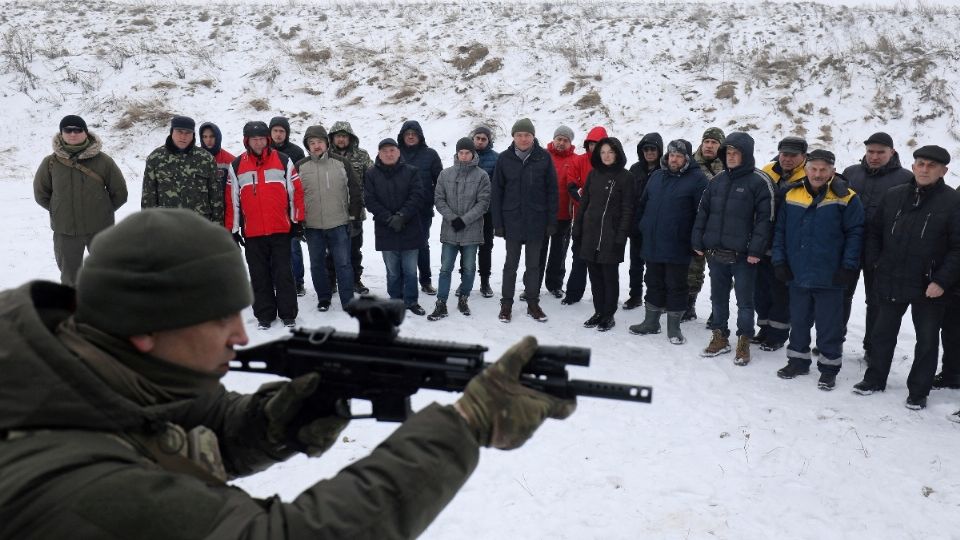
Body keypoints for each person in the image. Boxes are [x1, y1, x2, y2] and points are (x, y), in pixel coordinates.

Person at [0, 208, 575, 539]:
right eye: (220, 316)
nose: (242, 335)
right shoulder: (70, 483)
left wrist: (270, 423)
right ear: (144, 327)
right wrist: (465, 425)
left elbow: (161, 421)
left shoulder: (68, 359)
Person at [854, 145, 960, 409]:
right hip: (892, 278)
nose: (925, 169)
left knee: (926, 341)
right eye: (921, 164)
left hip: (929, 286)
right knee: (882, 333)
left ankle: (918, 391)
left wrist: (941, 281)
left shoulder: (952, 202)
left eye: (931, 166)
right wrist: (876, 263)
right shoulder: (894, 195)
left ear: (943, 171)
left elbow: (958, 248)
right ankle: (875, 378)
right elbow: (874, 234)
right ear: (913, 166)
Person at [772, 150, 864, 391]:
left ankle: (829, 369)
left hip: (830, 275)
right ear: (807, 169)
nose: (818, 174)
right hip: (797, 272)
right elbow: (780, 231)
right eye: (813, 169)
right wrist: (779, 261)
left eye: (824, 169)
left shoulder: (847, 198)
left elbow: (856, 234)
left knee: (829, 326)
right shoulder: (792, 194)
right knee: (799, 321)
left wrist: (848, 267)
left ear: (832, 171)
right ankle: (797, 361)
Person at [691, 132, 774, 365]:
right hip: (716, 253)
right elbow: (703, 213)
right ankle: (719, 337)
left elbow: (765, 220)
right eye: (728, 153)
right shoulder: (717, 181)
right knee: (717, 298)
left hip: (744, 256)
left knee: (745, 302)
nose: (731, 157)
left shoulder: (760, 182)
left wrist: (756, 250)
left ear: (746, 155)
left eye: (736, 153)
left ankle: (743, 341)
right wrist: (698, 241)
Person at [225, 121, 305, 330]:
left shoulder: (283, 160)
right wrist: (233, 230)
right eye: (254, 139)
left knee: (283, 274)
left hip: (280, 229)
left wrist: (296, 221)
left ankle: (288, 314)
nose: (258, 143)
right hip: (253, 232)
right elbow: (232, 200)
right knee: (259, 276)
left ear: (267, 139)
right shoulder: (236, 165)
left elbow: (295, 192)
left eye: (261, 138)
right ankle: (264, 315)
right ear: (247, 141)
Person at [841, 132, 912, 362]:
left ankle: (872, 347)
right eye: (870, 151)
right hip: (849, 247)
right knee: (841, 295)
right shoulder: (851, 173)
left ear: (892, 152)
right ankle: (833, 339)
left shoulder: (905, 178)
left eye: (880, 152)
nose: (874, 156)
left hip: (883, 251)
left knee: (876, 301)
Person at [33, 114, 127, 287]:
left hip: (100, 230)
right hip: (65, 232)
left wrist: (103, 212)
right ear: (61, 133)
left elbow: (120, 193)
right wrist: (60, 210)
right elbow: (41, 194)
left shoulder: (104, 161)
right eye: (67, 130)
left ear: (85, 132)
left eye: (78, 130)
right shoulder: (50, 163)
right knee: (70, 279)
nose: (73, 134)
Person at [629, 139, 707, 344]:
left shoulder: (697, 179)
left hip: (678, 243)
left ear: (687, 159)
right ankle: (651, 322)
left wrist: (696, 240)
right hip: (653, 241)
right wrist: (640, 226)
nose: (674, 159)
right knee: (652, 281)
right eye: (672, 155)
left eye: (679, 156)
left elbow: (702, 213)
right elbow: (643, 204)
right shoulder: (657, 175)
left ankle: (674, 328)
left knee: (676, 286)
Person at [491, 118, 558, 323]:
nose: (523, 138)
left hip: (536, 220)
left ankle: (532, 303)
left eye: (527, 135)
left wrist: (551, 221)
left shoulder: (544, 158)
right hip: (512, 220)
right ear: (513, 137)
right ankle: (506, 304)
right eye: (519, 135)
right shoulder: (504, 159)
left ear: (533, 137)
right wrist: (498, 223)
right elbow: (497, 193)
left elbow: (552, 192)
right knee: (510, 265)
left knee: (533, 265)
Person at [572, 137, 635, 332]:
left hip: (611, 235)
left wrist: (621, 236)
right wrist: (577, 228)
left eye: (610, 152)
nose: (606, 156)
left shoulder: (626, 177)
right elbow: (584, 204)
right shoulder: (593, 175)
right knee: (595, 276)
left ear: (617, 153)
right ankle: (598, 311)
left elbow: (627, 209)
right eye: (603, 152)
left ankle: (609, 314)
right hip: (590, 233)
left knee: (609, 277)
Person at [296, 125, 362, 311]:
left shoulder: (341, 163)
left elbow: (355, 190)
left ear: (326, 143)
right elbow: (294, 196)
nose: (316, 146)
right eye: (312, 143)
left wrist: (354, 216)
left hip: (339, 223)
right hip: (312, 226)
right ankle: (323, 298)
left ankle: (348, 300)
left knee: (343, 263)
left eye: (319, 141)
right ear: (307, 146)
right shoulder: (301, 166)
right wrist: (298, 222)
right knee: (317, 265)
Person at [754, 136, 808, 352]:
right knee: (761, 290)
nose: (787, 159)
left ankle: (777, 335)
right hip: (762, 240)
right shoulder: (767, 169)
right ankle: (764, 328)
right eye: (784, 154)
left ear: (803, 157)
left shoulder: (809, 176)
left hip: (787, 244)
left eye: (793, 155)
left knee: (781, 292)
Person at [428, 138, 491, 320]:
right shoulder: (445, 174)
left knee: (469, 268)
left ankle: (464, 298)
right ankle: (441, 303)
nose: (464, 156)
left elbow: (483, 203)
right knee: (445, 268)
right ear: (457, 154)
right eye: (461, 153)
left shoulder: (482, 176)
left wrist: (464, 220)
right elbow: (439, 199)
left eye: (467, 153)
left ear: (473, 154)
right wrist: (453, 218)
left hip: (472, 230)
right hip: (450, 230)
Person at [364, 138, 427, 315]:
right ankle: (395, 300)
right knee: (392, 271)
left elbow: (417, 195)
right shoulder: (371, 174)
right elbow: (370, 200)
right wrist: (389, 218)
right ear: (379, 154)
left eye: (392, 150)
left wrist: (402, 216)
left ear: (398, 152)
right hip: (386, 228)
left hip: (410, 227)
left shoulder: (412, 171)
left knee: (410, 270)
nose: (389, 154)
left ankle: (411, 301)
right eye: (384, 151)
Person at [142, 115, 222, 224]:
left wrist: (217, 228)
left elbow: (216, 197)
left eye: (188, 133)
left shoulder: (206, 159)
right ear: (172, 132)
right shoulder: (155, 158)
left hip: (200, 227)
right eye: (179, 132)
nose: (183, 137)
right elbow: (148, 198)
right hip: (166, 227)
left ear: (193, 135)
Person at [562, 125, 609, 305]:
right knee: (579, 257)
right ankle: (573, 294)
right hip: (581, 218)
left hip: (604, 222)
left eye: (598, 144)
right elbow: (572, 186)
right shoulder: (578, 161)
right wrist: (588, 203)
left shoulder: (609, 163)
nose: (594, 148)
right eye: (591, 144)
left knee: (602, 260)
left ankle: (603, 296)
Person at [397, 120, 444, 295]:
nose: (410, 136)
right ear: (402, 136)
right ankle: (402, 280)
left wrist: (430, 200)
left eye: (414, 133)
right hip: (399, 210)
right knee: (400, 246)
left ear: (420, 136)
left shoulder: (430, 154)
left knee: (422, 245)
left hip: (422, 210)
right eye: (407, 133)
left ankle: (425, 281)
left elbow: (440, 181)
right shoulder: (395, 153)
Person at [684, 127, 726, 322]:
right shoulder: (689, 163)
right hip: (694, 225)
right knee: (693, 269)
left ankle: (717, 311)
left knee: (720, 273)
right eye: (706, 141)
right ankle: (688, 305)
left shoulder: (729, 165)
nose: (709, 146)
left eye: (714, 142)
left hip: (719, 228)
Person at [327, 120, 374, 294]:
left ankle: (355, 280)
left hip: (356, 211)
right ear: (332, 138)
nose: (341, 139)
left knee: (355, 249)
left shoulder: (362, 155)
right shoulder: (325, 155)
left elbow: (373, 177)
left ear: (350, 138)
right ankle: (331, 280)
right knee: (331, 249)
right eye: (338, 136)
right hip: (332, 211)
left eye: (344, 136)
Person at [265, 116, 308, 297]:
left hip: (290, 208)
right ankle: (275, 280)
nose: (278, 134)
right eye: (275, 131)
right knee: (272, 249)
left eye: (282, 131)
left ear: (287, 133)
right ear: (270, 133)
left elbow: (300, 181)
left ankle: (298, 282)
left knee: (293, 248)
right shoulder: (262, 151)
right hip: (269, 208)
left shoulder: (296, 152)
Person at [623, 132, 663, 310]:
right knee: (635, 264)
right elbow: (628, 196)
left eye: (653, 148)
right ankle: (635, 295)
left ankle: (654, 298)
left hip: (656, 226)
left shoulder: (664, 170)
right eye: (645, 149)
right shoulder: (635, 169)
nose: (649, 152)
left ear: (659, 150)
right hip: (637, 224)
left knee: (655, 266)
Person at [540, 125, 579, 299]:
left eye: (565, 140)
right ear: (553, 139)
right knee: (537, 253)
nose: (561, 143)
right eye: (559, 139)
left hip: (564, 215)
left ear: (570, 143)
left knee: (559, 254)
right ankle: (531, 285)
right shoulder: (542, 156)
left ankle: (555, 285)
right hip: (542, 215)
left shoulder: (575, 160)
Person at [471, 125, 500, 298]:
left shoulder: (496, 158)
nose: (480, 141)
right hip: (466, 212)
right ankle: (465, 281)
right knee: (466, 247)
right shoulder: (464, 154)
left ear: (488, 141)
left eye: (484, 139)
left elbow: (496, 186)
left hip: (487, 212)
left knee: (485, 247)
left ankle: (485, 282)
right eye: (478, 138)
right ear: (473, 138)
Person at [198, 121, 236, 193]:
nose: (208, 140)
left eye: (212, 136)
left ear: (218, 137)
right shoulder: (194, 158)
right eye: (205, 137)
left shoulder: (231, 160)